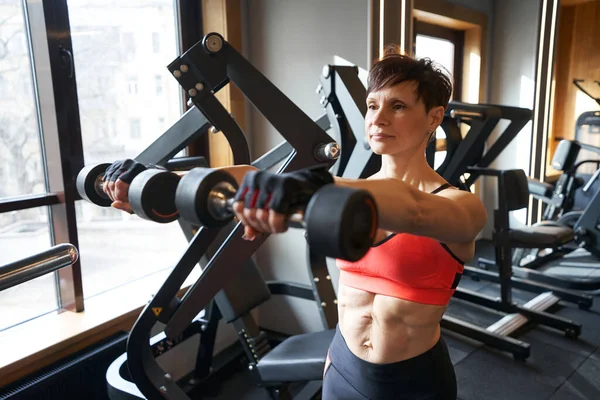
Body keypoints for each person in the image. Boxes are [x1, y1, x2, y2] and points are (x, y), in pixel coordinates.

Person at [102, 48, 487, 400]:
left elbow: (411, 207)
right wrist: (161, 181)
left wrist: (305, 186)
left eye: (398, 106)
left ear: (434, 116)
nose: (379, 118)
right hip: (344, 368)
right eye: (372, 105)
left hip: (413, 383)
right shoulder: (344, 188)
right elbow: (251, 174)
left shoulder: (460, 206)